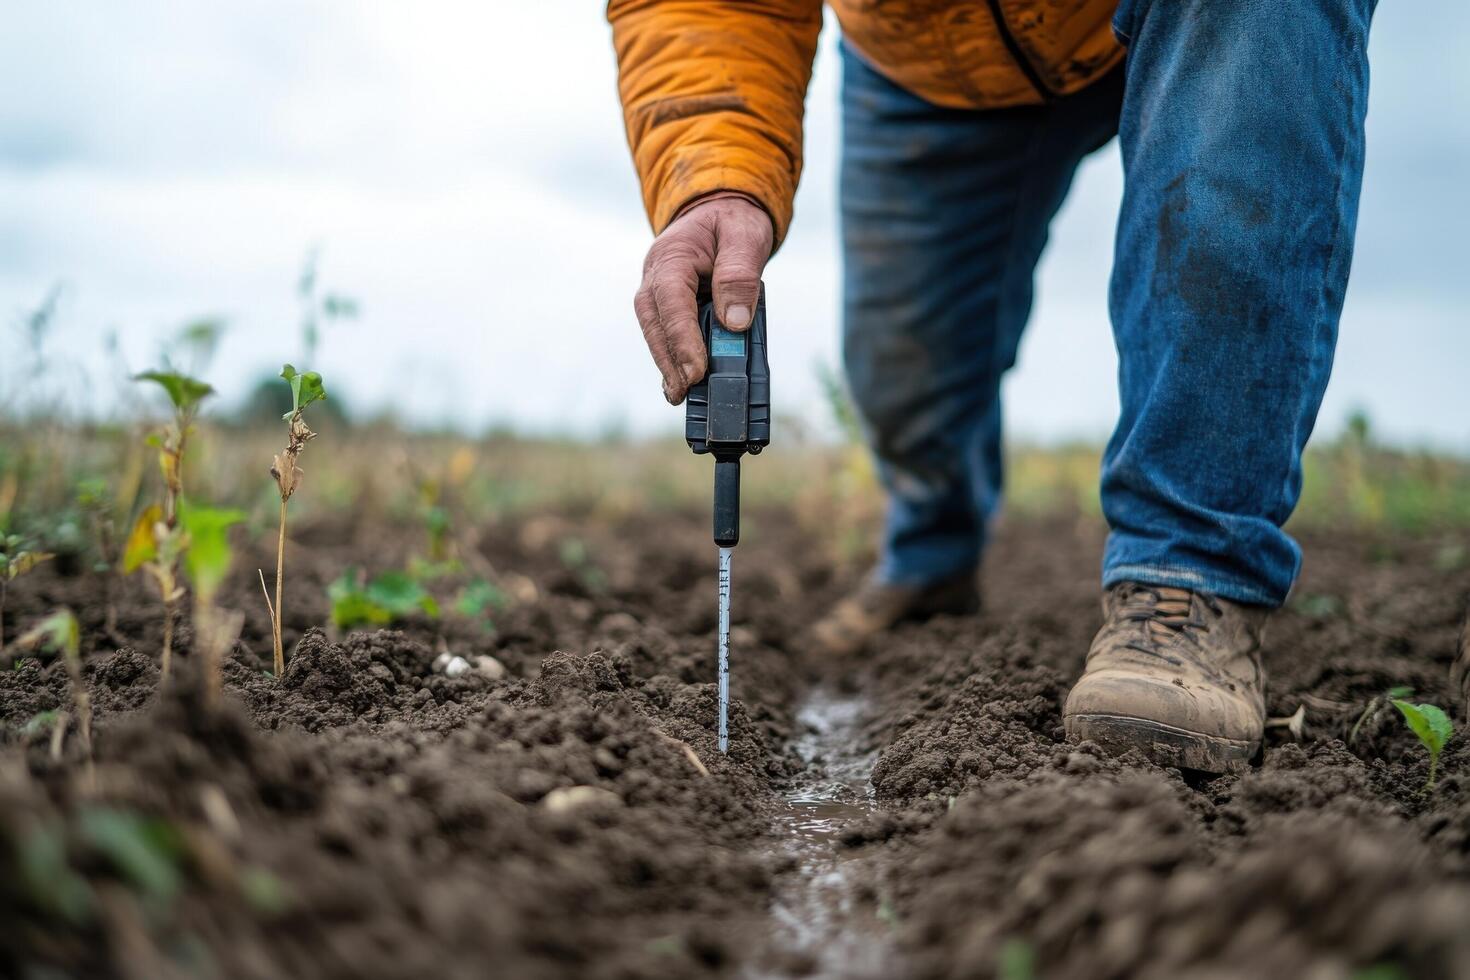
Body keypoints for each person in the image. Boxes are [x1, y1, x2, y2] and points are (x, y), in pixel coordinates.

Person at [607, 0, 1375, 773]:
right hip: (930, 52)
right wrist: (715, 180)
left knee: (1225, 217)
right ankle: (931, 555)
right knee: (903, 376)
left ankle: (1186, 573)